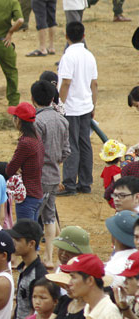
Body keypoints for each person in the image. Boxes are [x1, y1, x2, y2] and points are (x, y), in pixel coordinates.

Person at [57, 21, 98, 196]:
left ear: (66, 37)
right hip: (86, 106)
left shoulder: (68, 56)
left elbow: (66, 82)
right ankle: (85, 183)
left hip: (71, 107)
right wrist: (93, 105)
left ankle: (69, 184)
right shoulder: (89, 55)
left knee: (71, 144)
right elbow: (94, 84)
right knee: (85, 143)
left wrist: (59, 104)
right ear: (84, 36)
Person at [31, 81, 69, 266]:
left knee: (33, 214)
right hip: (54, 175)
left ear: (33, 99)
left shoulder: (37, 122)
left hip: (40, 176)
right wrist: (55, 161)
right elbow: (66, 151)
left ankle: (36, 256)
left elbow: (34, 151)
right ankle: (48, 257)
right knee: (49, 217)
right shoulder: (62, 119)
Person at [7, 220, 47, 319]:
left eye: (18, 240)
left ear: (31, 243)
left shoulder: (38, 275)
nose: (14, 243)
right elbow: (20, 304)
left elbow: (34, 313)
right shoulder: (24, 268)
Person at [6, 103, 44, 222]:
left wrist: (17, 168)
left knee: (25, 235)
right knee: (32, 234)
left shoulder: (25, 143)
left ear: (18, 121)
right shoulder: (36, 137)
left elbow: (10, 170)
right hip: (37, 193)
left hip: (27, 196)